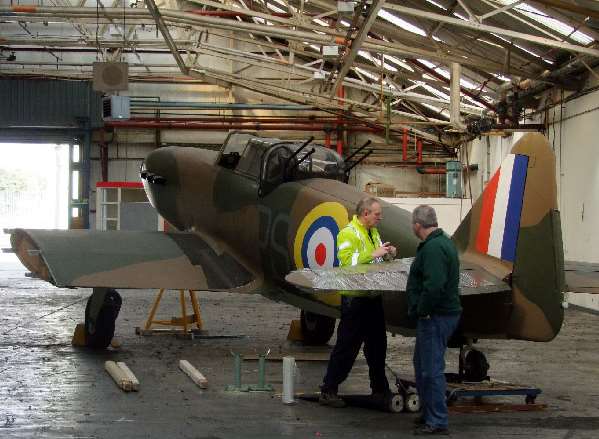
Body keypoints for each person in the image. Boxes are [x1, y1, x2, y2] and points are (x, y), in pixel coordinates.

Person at [319, 197, 397, 408]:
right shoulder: (348, 233)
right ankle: (329, 389)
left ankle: (380, 389)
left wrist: (388, 254)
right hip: (355, 300)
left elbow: (375, 261)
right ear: (365, 214)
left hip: (372, 298)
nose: (380, 218)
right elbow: (347, 262)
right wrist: (373, 253)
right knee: (347, 346)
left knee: (377, 347)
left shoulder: (373, 233)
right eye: (376, 214)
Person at [406, 205, 462, 435]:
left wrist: (422, 309)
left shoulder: (433, 249)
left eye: (413, 224)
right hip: (441, 314)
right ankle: (429, 412)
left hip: (436, 316)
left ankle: (437, 420)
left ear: (417, 225)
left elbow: (434, 285)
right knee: (421, 364)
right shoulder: (443, 242)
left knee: (431, 369)